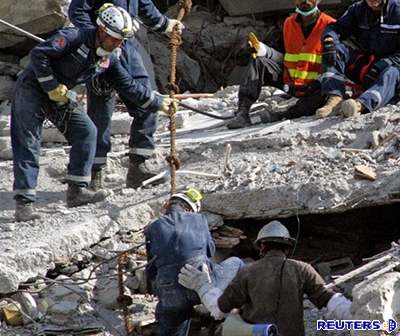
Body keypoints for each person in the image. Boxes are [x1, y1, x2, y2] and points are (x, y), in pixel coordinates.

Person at [11, 5, 173, 222]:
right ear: (103, 31)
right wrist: (50, 85)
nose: (119, 45)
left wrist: (158, 102)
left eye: (122, 40)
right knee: (28, 142)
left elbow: (129, 87)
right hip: (32, 90)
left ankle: (77, 191)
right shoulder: (74, 36)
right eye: (116, 39)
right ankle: (24, 203)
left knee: (87, 132)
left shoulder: (109, 58)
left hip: (60, 97)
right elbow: (40, 55)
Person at [69, 0, 184, 189]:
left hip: (128, 44)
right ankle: (95, 172)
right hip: (105, 47)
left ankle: (139, 166)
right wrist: (96, 38)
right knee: (101, 111)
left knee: (147, 100)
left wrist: (165, 24)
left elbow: (144, 5)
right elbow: (77, 10)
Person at [178, 220, 352, 336]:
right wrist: (364, 321)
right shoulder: (303, 269)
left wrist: (202, 286)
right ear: (287, 248)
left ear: (262, 247)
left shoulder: (247, 272)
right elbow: (332, 303)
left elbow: (219, 310)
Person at [145, 188, 244, 336]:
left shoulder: (152, 227)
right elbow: (210, 251)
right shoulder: (199, 219)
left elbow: (151, 269)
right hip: (200, 280)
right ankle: (237, 319)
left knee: (173, 323)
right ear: (191, 208)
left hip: (170, 289)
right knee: (237, 263)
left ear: (169, 205)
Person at [226, 0, 335, 129]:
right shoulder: (289, 23)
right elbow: (282, 55)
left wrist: (317, 83)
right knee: (259, 62)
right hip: (290, 81)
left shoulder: (330, 25)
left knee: (322, 96)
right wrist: (263, 50)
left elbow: (335, 65)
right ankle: (242, 112)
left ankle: (284, 114)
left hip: (315, 87)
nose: (305, 1)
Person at [316, 0, 400, 118]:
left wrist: (382, 65)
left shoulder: (397, 10)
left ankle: (360, 105)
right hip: (368, 66)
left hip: (392, 66)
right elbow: (338, 27)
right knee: (334, 49)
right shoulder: (358, 9)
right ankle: (334, 99)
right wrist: (329, 39)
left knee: (391, 73)